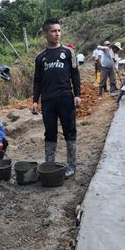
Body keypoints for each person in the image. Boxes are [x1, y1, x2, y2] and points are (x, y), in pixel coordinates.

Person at [33, 18, 81, 178]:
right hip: (48, 101)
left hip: (66, 97)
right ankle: (49, 164)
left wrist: (78, 95)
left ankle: (71, 165)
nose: (57, 34)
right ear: (45, 34)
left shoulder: (68, 52)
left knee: (70, 131)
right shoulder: (40, 58)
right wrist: (35, 100)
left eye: (59, 30)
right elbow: (37, 80)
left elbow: (75, 74)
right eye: (53, 31)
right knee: (50, 132)